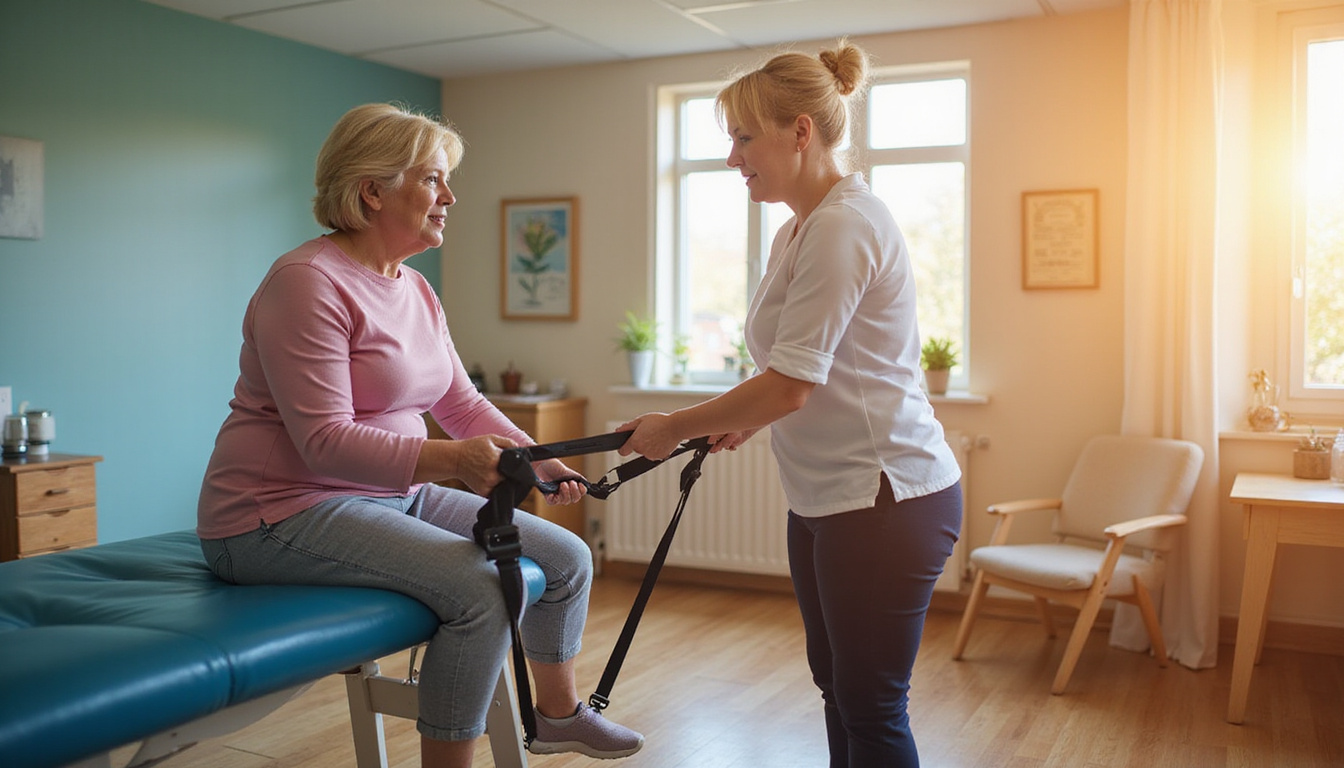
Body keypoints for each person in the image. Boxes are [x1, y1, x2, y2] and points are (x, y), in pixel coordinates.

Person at [196, 103, 642, 768]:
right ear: (373, 190)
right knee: (483, 588)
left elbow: (458, 400)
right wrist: (454, 461)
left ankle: (555, 716)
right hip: (277, 512)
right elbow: (323, 443)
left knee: (568, 557)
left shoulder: (415, 289)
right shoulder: (306, 283)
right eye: (433, 180)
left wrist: (535, 458)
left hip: (389, 494)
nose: (450, 197)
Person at [617, 41, 962, 768]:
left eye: (745, 137)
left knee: (870, 705)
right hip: (825, 498)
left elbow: (793, 384)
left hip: (884, 496)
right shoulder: (798, 229)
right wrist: (739, 421)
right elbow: (795, 371)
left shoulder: (845, 224)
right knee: (837, 688)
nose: (733, 156)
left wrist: (671, 428)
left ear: (800, 131)